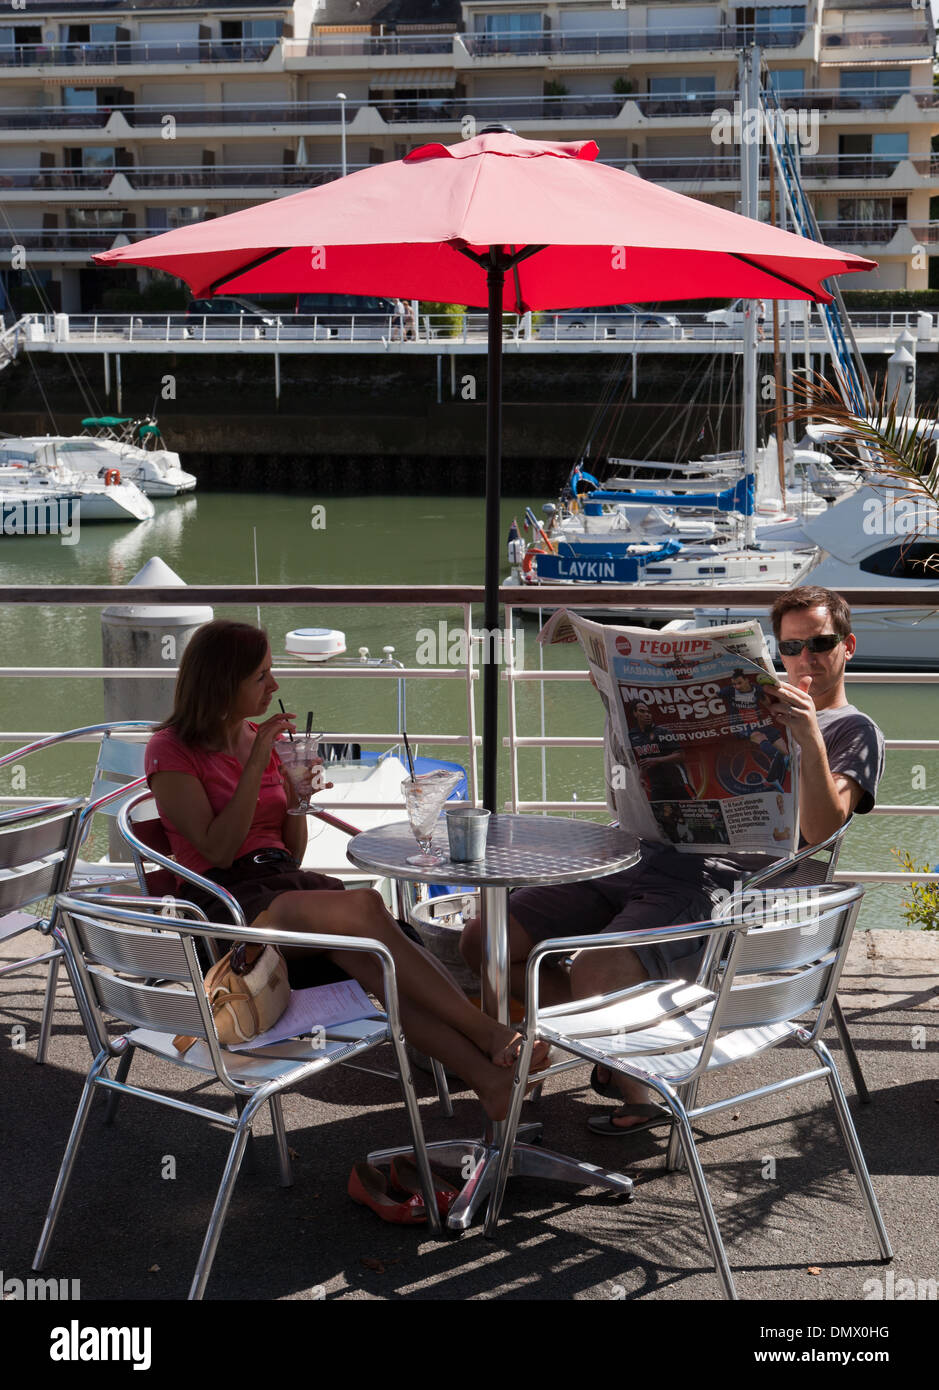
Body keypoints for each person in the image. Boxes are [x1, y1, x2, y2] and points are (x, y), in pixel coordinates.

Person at [459, 585, 884, 1133]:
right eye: (792, 647)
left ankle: (641, 1086)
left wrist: (806, 736)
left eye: (820, 643)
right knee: (483, 940)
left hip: (722, 878)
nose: (805, 658)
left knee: (597, 969)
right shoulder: (747, 701)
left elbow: (823, 830)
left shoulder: (854, 730)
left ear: (847, 646)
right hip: (637, 851)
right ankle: (608, 1045)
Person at [146, 618, 541, 1122]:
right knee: (365, 906)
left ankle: (489, 1082)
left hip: (280, 881)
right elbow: (218, 851)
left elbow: (291, 851)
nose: (274, 686)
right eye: (261, 676)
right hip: (225, 904)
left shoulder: (256, 739)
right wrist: (257, 763)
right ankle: (488, 1031)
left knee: (376, 956)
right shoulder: (171, 750)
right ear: (224, 680)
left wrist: (296, 801)